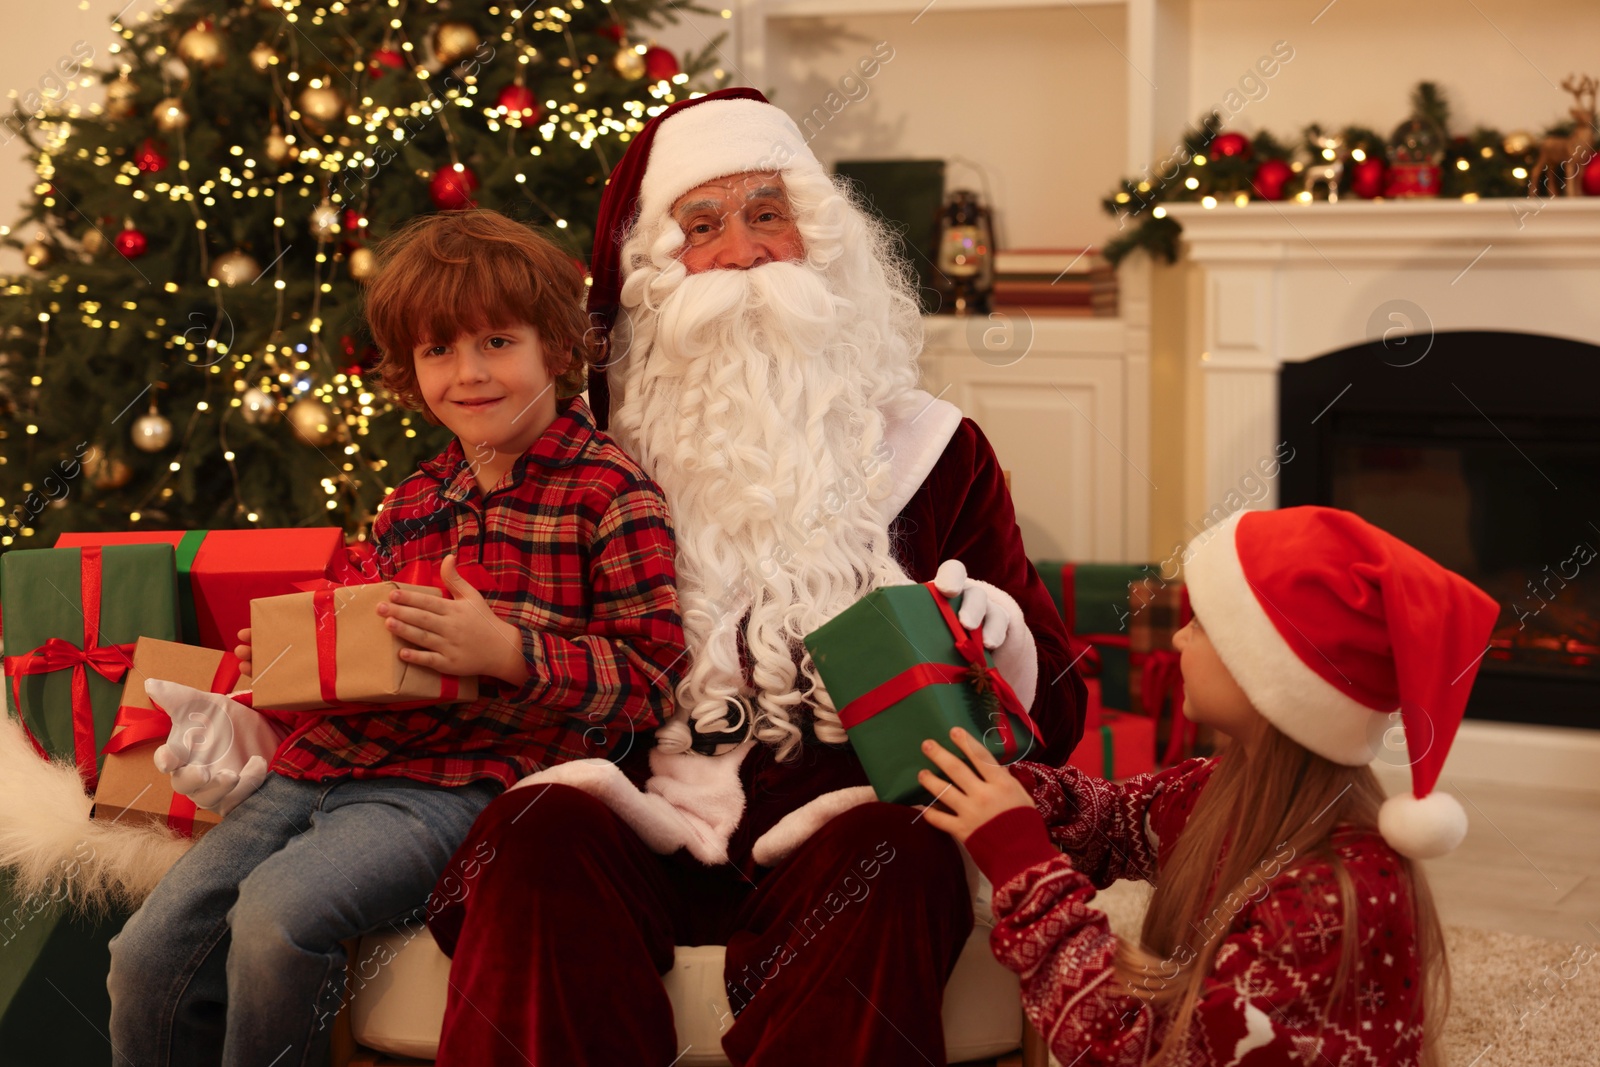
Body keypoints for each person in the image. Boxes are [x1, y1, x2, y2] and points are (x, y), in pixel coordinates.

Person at [426, 88, 1088, 1066]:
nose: (740, 252)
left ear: (820, 241)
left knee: (899, 853)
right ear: (655, 269)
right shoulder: (583, 460)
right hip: (639, 814)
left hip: (839, 826)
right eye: (702, 226)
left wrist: (992, 644)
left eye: (767, 214)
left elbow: (1063, 708)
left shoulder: (934, 450)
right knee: (533, 828)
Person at [106, 209, 685, 1067]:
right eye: (439, 350)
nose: (470, 372)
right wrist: (275, 671)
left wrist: (510, 652)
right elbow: (359, 639)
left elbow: (652, 678)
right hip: (322, 766)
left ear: (558, 350)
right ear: (412, 373)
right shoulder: (414, 499)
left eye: (497, 342)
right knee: (144, 950)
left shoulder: (611, 493)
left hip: (455, 784)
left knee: (276, 917)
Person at [919, 506, 1499, 1066]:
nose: (1177, 641)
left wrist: (1023, 865)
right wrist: (1014, 793)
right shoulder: (1220, 788)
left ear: (1266, 679)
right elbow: (1117, 821)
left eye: (1200, 625)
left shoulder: (1341, 894)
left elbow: (1137, 1050)